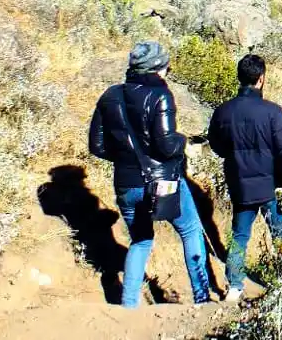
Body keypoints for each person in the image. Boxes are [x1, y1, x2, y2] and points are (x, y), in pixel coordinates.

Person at [88, 41, 212, 308]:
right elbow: (166, 144)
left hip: (126, 183)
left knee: (141, 240)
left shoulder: (110, 95)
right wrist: (184, 142)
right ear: (157, 68)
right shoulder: (160, 95)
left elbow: (97, 146)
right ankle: (202, 299)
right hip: (163, 182)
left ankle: (129, 305)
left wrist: (126, 159)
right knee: (190, 230)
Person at [207, 54, 282, 302]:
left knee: (239, 236)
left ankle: (234, 286)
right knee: (281, 233)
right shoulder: (273, 113)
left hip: (240, 184)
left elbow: (216, 145)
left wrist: (235, 157)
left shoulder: (223, 111)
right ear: (261, 79)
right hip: (271, 185)